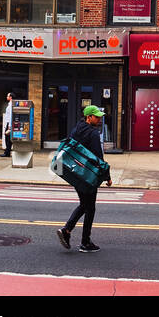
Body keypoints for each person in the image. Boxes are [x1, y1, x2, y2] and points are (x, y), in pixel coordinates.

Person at [56, 104, 112, 253]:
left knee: (86, 205)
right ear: (89, 117)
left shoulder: (76, 129)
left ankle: (71, 233)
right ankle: (78, 237)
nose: (99, 119)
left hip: (76, 172)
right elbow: (97, 157)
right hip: (88, 174)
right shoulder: (93, 133)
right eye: (96, 117)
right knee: (89, 207)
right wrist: (107, 176)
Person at [1, 93, 13, 157]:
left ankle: (7, 152)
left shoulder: (11, 105)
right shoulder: (9, 104)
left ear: (10, 97)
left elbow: (11, 115)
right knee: (8, 138)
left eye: (7, 96)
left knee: (7, 138)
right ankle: (7, 151)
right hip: (8, 123)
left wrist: (10, 126)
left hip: (9, 123)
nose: (6, 97)